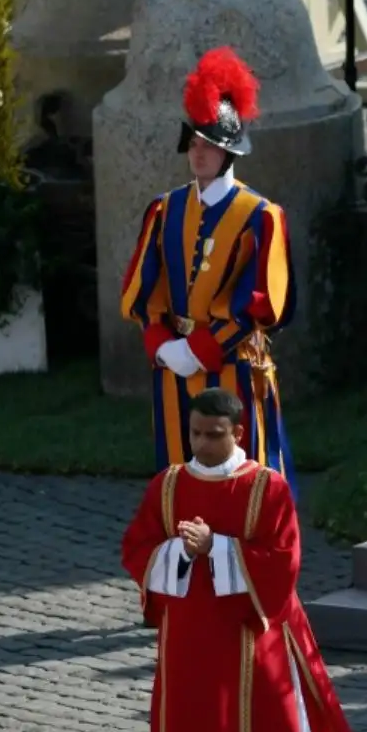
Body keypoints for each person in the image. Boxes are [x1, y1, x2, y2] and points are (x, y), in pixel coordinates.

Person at [118, 387, 358, 732]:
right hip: (187, 649)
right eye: (196, 434)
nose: (203, 444)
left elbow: (282, 563)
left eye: (215, 434)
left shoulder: (267, 489)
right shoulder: (168, 486)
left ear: (238, 434)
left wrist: (218, 549)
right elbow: (136, 549)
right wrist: (179, 553)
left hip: (255, 643)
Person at [119, 47, 297, 479]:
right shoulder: (164, 210)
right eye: (194, 145)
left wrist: (197, 350)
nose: (199, 155)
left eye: (210, 147)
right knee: (179, 477)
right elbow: (144, 289)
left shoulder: (259, 216)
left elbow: (261, 302)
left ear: (229, 153)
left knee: (240, 477)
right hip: (172, 368)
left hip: (233, 367)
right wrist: (162, 345)